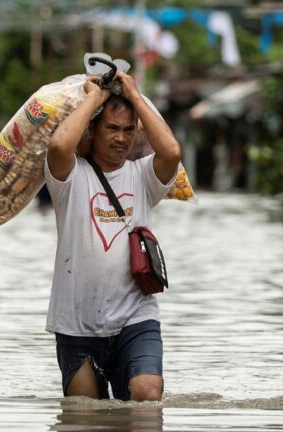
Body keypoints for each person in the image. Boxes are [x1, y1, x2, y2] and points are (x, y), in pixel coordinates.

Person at [44, 70, 182, 402]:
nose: (121, 138)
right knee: (84, 415)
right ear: (93, 128)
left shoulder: (143, 176)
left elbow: (172, 152)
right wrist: (95, 96)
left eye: (128, 130)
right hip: (76, 322)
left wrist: (134, 95)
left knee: (147, 395)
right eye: (112, 128)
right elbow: (60, 144)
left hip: (136, 317)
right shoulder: (70, 176)